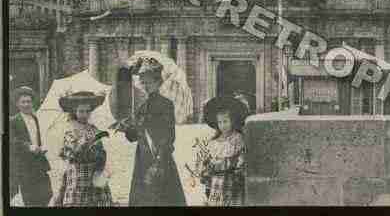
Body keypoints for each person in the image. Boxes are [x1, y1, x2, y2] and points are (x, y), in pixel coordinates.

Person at [120, 57, 187, 206]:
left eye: (149, 82)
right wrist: (127, 129)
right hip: (142, 159)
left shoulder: (166, 104)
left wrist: (158, 163)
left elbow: (169, 136)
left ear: (158, 83)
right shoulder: (141, 106)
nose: (145, 86)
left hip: (160, 158)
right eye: (143, 83)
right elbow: (134, 137)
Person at [50, 91, 114, 207]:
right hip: (78, 173)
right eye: (81, 111)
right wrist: (85, 142)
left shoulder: (94, 128)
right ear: (75, 112)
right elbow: (71, 154)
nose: (85, 114)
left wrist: (102, 166)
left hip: (94, 173)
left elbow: (101, 152)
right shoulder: (69, 129)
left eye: (87, 111)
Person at [201, 96, 249, 206]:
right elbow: (208, 161)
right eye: (220, 122)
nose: (223, 125)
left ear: (232, 121)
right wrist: (206, 170)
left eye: (226, 121)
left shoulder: (237, 138)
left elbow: (241, 159)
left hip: (231, 181)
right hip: (216, 182)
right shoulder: (214, 141)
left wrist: (236, 167)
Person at [9, 86, 53, 206]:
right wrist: (29, 147)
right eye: (23, 102)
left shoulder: (36, 119)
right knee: (31, 199)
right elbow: (12, 141)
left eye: (28, 101)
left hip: (40, 164)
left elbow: (40, 137)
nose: (26, 104)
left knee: (47, 194)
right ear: (17, 104)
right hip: (25, 167)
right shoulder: (13, 121)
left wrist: (42, 147)